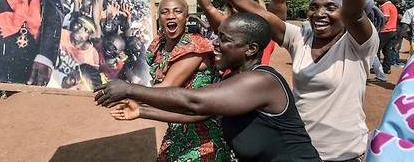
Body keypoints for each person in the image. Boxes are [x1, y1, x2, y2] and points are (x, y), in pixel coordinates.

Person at [183, 0, 378, 161]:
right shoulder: (302, 37)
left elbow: (353, 13)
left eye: (330, 7)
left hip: (344, 155)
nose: (319, 14)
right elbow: (261, 15)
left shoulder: (358, 44)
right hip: (301, 152)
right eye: (314, 6)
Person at [96, 13, 320, 162]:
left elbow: (194, 102)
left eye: (223, 39)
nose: (214, 43)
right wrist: (142, 111)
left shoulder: (261, 81)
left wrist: (129, 89)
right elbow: (200, 114)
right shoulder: (233, 81)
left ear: (250, 49)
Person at [140, 0, 234, 161]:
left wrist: (127, 93)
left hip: (203, 137)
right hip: (175, 130)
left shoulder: (194, 46)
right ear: (158, 17)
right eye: (165, 12)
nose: (171, 16)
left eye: (177, 11)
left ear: (186, 17)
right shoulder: (158, 45)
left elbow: (167, 87)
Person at [376, 0, 398, 74]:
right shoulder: (392, 6)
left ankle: (377, 68)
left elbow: (385, 18)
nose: (377, 0)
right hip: (392, 31)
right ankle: (386, 68)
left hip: (384, 31)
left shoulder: (385, 6)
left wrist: (377, 27)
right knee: (387, 50)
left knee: (376, 50)